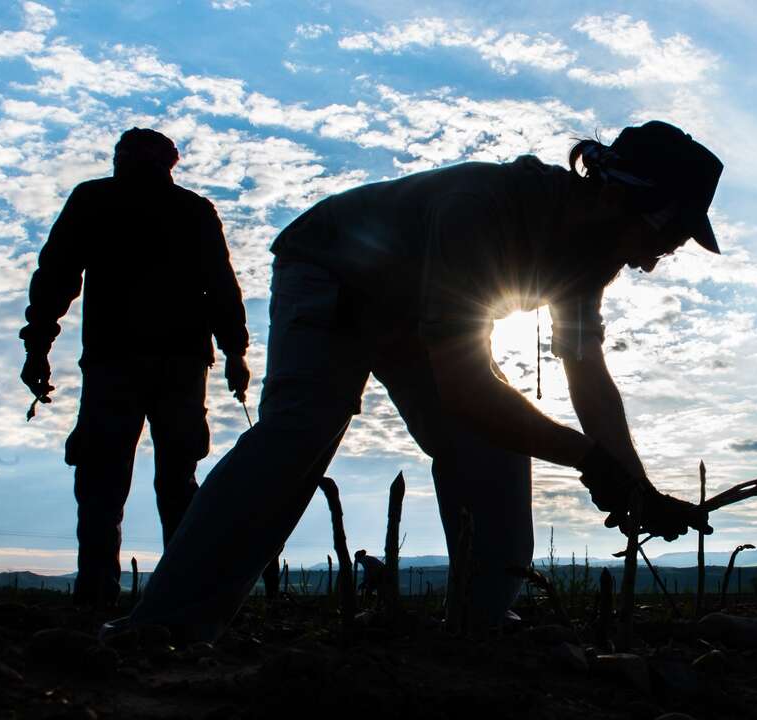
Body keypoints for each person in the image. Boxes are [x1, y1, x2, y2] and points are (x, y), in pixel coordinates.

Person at [119, 120, 720, 642]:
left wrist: (635, 485)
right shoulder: (483, 207)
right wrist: (591, 462)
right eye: (663, 241)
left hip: (414, 309)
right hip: (333, 273)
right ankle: (164, 625)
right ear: (626, 201)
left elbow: (587, 372)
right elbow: (465, 388)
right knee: (300, 432)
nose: (650, 261)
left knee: (497, 443)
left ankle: (478, 625)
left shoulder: (591, 258)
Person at [19, 128, 251, 608]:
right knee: (174, 482)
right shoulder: (191, 211)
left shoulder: (96, 200)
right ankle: (177, 600)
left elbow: (57, 274)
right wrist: (234, 353)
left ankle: (99, 599)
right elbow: (221, 288)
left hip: (120, 362)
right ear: (171, 164)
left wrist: (39, 344)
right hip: (174, 365)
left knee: (107, 482)